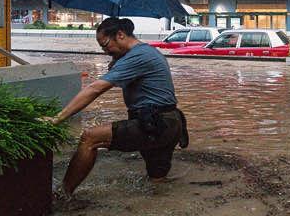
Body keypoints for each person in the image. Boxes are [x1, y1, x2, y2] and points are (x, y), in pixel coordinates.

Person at [47, 17, 188, 199]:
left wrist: (58, 118)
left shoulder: (138, 56)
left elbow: (95, 88)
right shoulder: (146, 52)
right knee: (157, 184)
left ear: (120, 35)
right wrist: (117, 62)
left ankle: (62, 194)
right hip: (169, 122)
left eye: (105, 45)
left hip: (156, 124)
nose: (105, 51)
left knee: (90, 138)